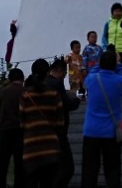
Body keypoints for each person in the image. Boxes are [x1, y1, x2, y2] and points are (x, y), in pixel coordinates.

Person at [80, 48, 122, 188]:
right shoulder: (119, 81)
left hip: (91, 131)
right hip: (111, 133)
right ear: (114, 64)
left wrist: (98, 63)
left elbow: (91, 73)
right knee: (113, 170)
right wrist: (119, 64)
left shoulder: (91, 79)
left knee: (89, 171)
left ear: (100, 63)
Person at [20, 58, 64, 188]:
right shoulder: (54, 94)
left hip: (31, 150)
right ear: (47, 74)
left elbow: (22, 124)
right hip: (50, 150)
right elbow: (60, 123)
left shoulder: (25, 96)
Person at [47, 58, 81, 188]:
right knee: (67, 168)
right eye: (64, 73)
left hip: (48, 130)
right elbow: (65, 104)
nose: (64, 76)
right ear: (59, 71)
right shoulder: (56, 84)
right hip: (59, 130)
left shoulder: (46, 82)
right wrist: (76, 101)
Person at [0, 67, 25, 188]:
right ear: (22, 79)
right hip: (19, 130)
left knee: (2, 166)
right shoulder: (24, 91)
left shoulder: (3, 91)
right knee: (19, 166)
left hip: (5, 130)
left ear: (10, 79)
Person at [102, 3, 122, 70]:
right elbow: (104, 37)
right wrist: (104, 49)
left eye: (119, 11)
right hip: (111, 52)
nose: (118, 13)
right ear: (112, 12)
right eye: (116, 11)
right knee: (110, 71)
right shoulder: (108, 23)